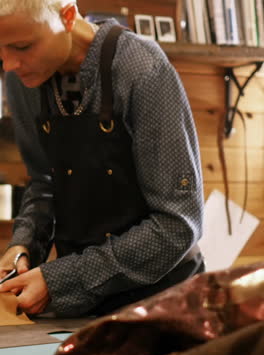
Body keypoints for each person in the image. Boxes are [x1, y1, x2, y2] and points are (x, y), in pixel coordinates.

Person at [0, 0, 205, 318]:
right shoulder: (21, 79)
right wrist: (23, 246)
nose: (9, 63)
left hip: (164, 302)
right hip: (85, 305)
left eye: (22, 46)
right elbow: (45, 181)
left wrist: (59, 279)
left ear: (67, 17)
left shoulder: (142, 69)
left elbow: (177, 225)